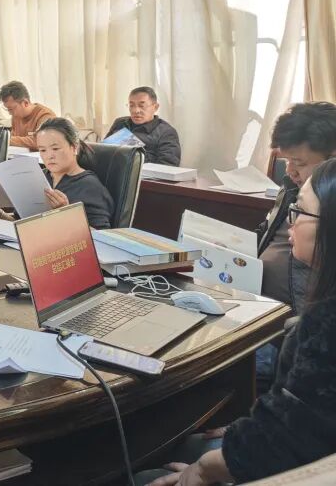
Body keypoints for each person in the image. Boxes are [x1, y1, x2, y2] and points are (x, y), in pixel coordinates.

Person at [143, 158, 336, 486]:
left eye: (301, 210)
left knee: (148, 470)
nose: (291, 221)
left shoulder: (326, 327)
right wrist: (249, 426)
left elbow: (294, 439)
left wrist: (203, 469)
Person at [259, 102, 336, 312]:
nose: (290, 171)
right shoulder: (291, 187)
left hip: (294, 317)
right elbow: (268, 232)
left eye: (299, 163)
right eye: (286, 161)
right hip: (260, 304)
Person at [36, 118, 114, 229]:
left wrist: (67, 214)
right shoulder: (39, 178)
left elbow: (101, 235)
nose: (49, 156)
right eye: (43, 150)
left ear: (74, 147)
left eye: (55, 148)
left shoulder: (90, 186)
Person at [105, 86, 182, 166]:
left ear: (155, 107)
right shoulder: (120, 123)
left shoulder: (166, 132)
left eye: (142, 106)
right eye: (131, 105)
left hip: (141, 173)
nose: (136, 110)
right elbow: (102, 150)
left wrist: (137, 157)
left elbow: (168, 166)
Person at [0, 81, 56, 149]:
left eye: (11, 109)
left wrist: (5, 140)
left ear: (25, 103)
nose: (10, 113)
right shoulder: (16, 116)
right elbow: (15, 139)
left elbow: (40, 141)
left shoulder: (46, 116)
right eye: (7, 109)